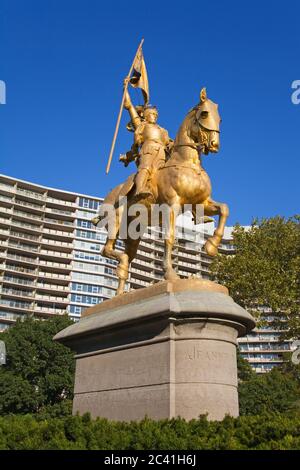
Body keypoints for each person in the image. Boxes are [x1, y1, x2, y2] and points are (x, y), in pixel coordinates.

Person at [120, 79, 172, 201]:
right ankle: (139, 189)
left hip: (162, 154)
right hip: (148, 151)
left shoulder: (163, 130)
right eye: (152, 114)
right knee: (146, 167)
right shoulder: (141, 125)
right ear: (145, 115)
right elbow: (128, 105)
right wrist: (125, 88)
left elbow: (170, 143)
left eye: (155, 115)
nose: (154, 116)